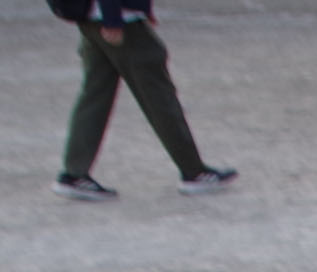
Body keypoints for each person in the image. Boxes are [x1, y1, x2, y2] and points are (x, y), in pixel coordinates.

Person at [51, 0, 234, 201]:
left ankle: (74, 174)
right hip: (119, 20)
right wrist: (113, 18)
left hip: (92, 18)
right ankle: (194, 172)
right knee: (159, 99)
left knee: (95, 96)